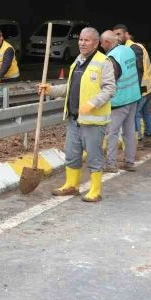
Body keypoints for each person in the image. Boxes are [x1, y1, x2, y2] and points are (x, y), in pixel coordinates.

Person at [38, 27, 115, 202]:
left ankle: (95, 190)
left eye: (87, 40)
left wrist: (92, 104)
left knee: (94, 157)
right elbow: (70, 88)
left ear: (96, 43)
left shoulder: (104, 62)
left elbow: (110, 89)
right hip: (74, 119)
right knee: (71, 155)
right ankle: (71, 185)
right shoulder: (77, 62)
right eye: (80, 39)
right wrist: (51, 89)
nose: (82, 43)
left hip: (93, 122)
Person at [100, 30, 142, 172]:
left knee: (112, 132)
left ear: (107, 42)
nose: (100, 45)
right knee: (129, 131)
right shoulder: (128, 50)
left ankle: (111, 164)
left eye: (101, 42)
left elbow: (110, 81)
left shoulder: (112, 58)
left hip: (120, 101)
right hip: (134, 97)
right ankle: (130, 162)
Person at [113, 24, 151, 147]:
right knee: (145, 112)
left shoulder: (132, 48)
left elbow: (138, 70)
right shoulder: (135, 46)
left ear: (126, 34)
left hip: (142, 87)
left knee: (135, 114)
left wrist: (134, 90)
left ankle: (138, 141)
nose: (116, 37)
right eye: (114, 34)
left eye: (119, 34)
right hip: (148, 86)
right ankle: (148, 136)